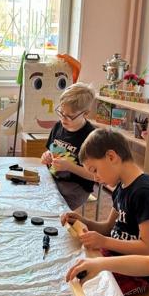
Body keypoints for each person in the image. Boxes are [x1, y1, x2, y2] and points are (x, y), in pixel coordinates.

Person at [60, 128, 149, 296]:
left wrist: (104, 242)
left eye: (94, 170)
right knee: (70, 267)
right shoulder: (121, 187)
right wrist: (83, 221)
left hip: (137, 274)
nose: (95, 178)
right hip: (114, 258)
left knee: (85, 289)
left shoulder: (145, 193)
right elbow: (108, 228)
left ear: (111, 157)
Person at [40, 82, 97, 210]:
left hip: (75, 188)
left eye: (70, 116)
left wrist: (70, 167)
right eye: (61, 112)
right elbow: (51, 151)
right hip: (53, 180)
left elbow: (96, 176)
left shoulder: (91, 137)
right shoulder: (58, 126)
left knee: (50, 211)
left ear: (86, 113)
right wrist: (47, 156)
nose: (63, 119)